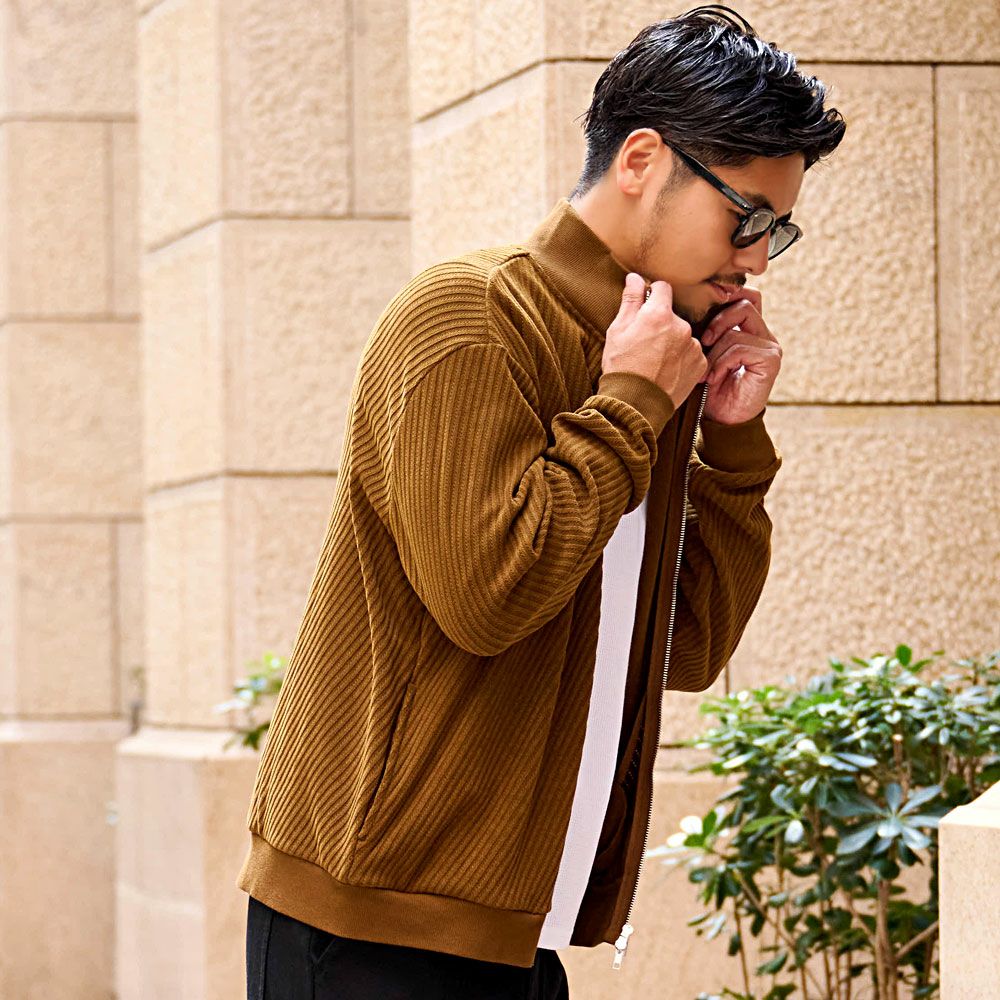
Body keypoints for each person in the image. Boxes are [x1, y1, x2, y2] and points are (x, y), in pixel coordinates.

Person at [238, 5, 847, 997]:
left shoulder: (653, 356)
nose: (756, 259)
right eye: (745, 217)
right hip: (368, 923)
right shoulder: (470, 315)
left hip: (514, 931)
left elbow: (685, 648)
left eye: (778, 228)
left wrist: (730, 444)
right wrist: (633, 402)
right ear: (643, 159)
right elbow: (487, 598)